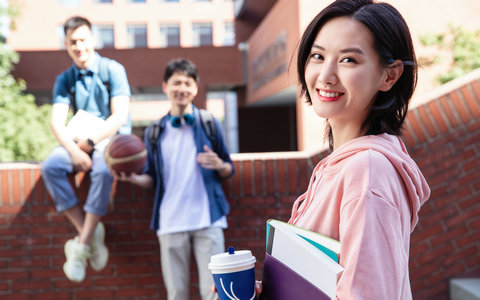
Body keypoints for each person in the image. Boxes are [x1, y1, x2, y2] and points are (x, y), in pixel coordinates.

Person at [215, 0, 431, 299]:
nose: (326, 75)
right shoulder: (339, 164)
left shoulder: (366, 171)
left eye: (348, 60)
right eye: (318, 56)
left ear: (389, 76)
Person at [115, 58, 235, 300]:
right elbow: (151, 178)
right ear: (165, 87)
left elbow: (229, 169)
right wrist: (133, 179)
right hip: (170, 221)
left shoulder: (209, 123)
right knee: (176, 293)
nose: (182, 88)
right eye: (176, 82)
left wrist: (219, 164)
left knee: (213, 294)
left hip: (208, 220)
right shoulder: (154, 130)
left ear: (196, 88)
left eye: (188, 83)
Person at [41, 16, 131, 283]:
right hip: (78, 141)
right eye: (72, 42)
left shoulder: (113, 70)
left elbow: (119, 117)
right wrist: (74, 151)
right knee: (51, 166)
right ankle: (89, 237)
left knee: (103, 173)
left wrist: (90, 144)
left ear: (92, 39)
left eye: (82, 39)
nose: (78, 46)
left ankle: (79, 246)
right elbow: (56, 122)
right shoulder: (65, 79)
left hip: (108, 140)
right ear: (66, 46)